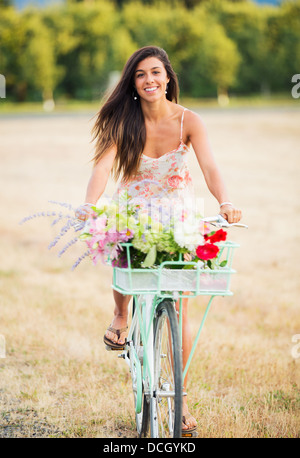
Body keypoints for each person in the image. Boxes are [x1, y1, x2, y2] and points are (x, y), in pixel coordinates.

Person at [76, 46, 242, 434]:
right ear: (132, 83)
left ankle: (178, 398)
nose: (150, 80)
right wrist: (89, 205)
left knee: (181, 307)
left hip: (176, 216)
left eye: (156, 72)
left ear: (168, 77)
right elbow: (103, 167)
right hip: (134, 212)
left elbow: (210, 167)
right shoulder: (124, 120)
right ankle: (121, 314)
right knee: (121, 248)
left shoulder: (189, 120)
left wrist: (226, 202)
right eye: (140, 75)